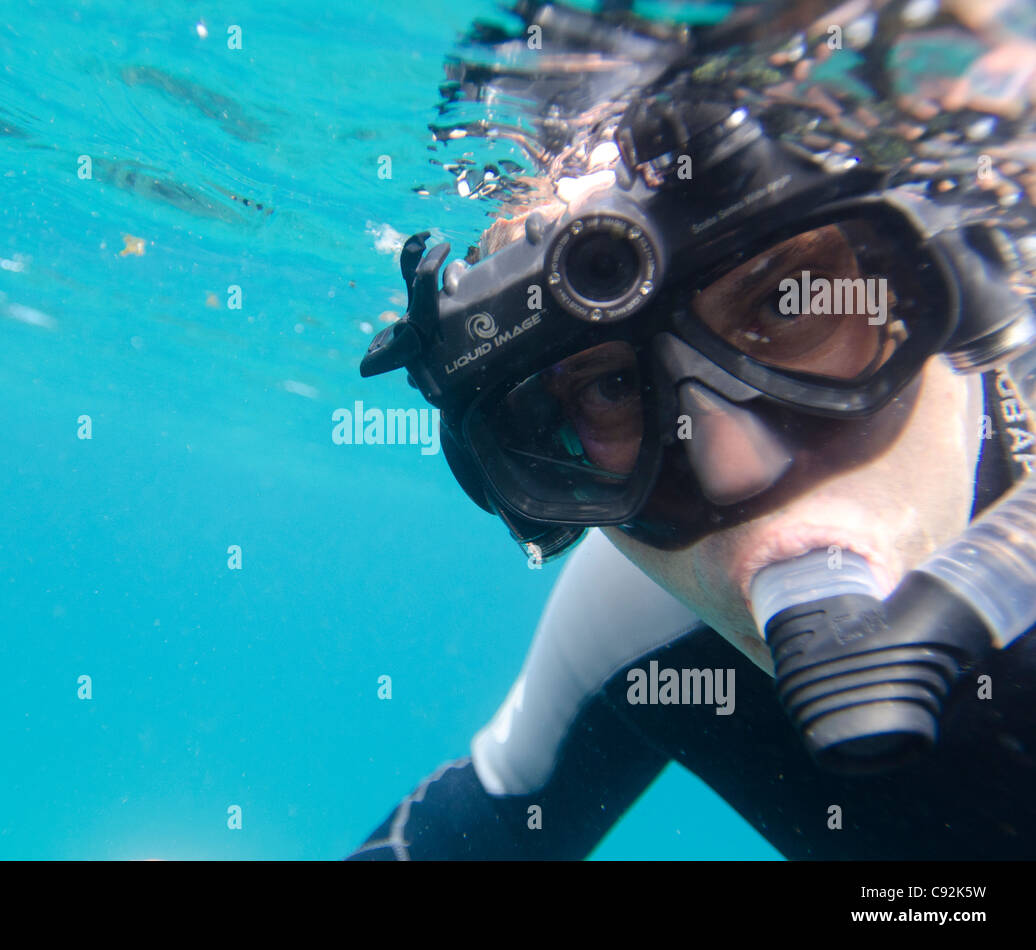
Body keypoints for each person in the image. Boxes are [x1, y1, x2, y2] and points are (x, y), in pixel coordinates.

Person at [348, 0, 1036, 860]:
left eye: (793, 303)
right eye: (606, 389)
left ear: (969, 290)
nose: (735, 469)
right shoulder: (636, 631)